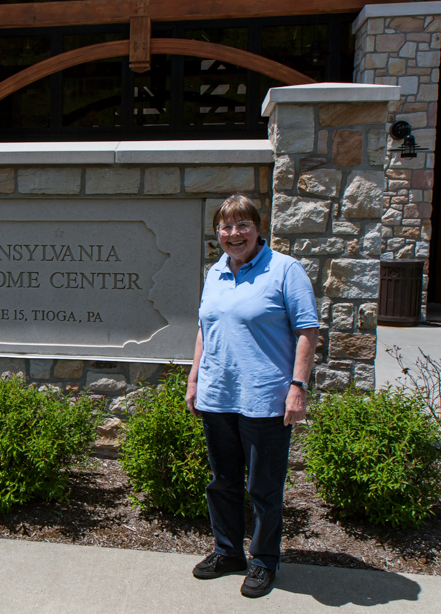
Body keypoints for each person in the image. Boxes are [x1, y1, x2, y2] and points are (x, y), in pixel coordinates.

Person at [185, 194, 318, 598]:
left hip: (265, 398)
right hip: (218, 395)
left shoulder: (285, 270)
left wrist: (298, 388)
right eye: (225, 226)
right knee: (223, 482)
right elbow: (205, 328)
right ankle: (227, 552)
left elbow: (307, 332)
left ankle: (263, 561)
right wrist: (193, 379)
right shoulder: (216, 273)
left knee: (263, 487)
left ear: (258, 228)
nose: (233, 233)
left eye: (242, 224)